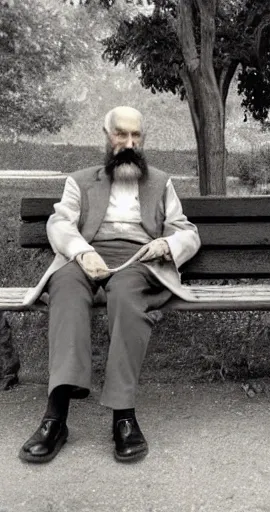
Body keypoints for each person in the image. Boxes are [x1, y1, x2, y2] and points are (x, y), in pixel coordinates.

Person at [19, 106, 201, 463]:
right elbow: (60, 224)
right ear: (106, 135)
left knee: (127, 296)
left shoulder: (161, 182)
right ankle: (56, 417)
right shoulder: (80, 180)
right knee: (66, 288)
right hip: (86, 254)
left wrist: (168, 244)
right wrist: (80, 252)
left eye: (136, 136)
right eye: (121, 134)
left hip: (137, 260)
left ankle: (124, 416)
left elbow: (186, 231)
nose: (129, 143)